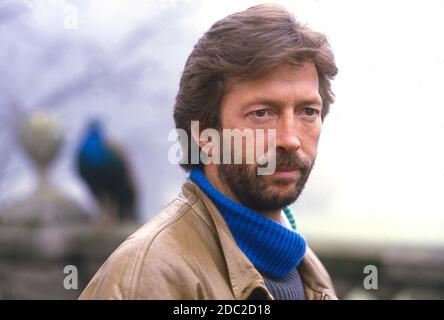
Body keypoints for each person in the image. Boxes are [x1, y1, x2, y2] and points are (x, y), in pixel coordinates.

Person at [80, 3, 338, 300]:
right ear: (204, 134)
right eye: (262, 113)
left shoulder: (310, 273)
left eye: (308, 111)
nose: (290, 139)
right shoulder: (148, 280)